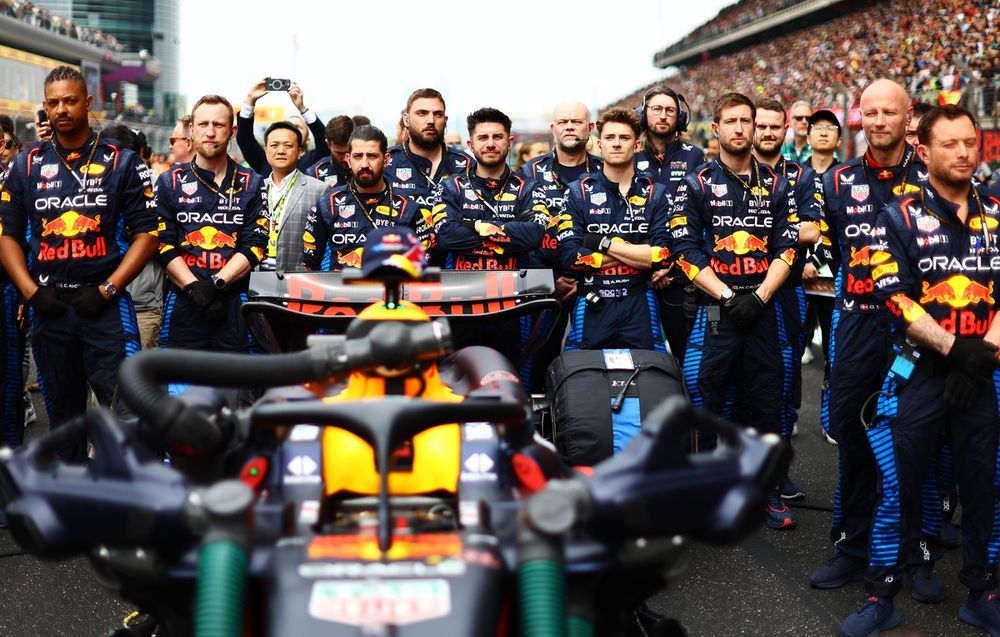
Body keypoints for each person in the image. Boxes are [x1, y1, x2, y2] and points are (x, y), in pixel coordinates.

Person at [839, 104, 1000, 637]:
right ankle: (881, 593)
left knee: (985, 484)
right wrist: (957, 351)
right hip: (918, 371)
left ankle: (983, 591)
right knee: (898, 484)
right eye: (950, 144)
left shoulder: (997, 212)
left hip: (983, 373)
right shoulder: (897, 217)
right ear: (924, 152)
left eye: (970, 143)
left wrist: (980, 358)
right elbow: (895, 298)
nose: (963, 153)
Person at [0, 65, 158, 462]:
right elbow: (7, 237)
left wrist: (110, 288)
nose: (61, 110)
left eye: (70, 101)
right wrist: (31, 292)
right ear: (45, 107)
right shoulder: (26, 164)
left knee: (125, 414)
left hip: (105, 305)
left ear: (88, 103)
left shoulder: (123, 162)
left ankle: (129, 508)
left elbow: (148, 234)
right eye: (53, 103)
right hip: (50, 308)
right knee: (63, 418)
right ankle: (72, 507)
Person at [810, 79, 930, 596]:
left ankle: (916, 553)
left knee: (918, 438)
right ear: (859, 118)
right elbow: (825, 252)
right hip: (857, 325)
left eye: (890, 113)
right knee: (855, 437)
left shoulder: (933, 178)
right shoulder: (836, 182)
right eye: (870, 112)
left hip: (917, 331)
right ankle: (855, 548)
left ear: (908, 120)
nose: (879, 121)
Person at [668, 92, 798, 529]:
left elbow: (788, 249)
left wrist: (758, 296)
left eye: (747, 120)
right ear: (717, 129)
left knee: (766, 399)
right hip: (715, 308)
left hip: (764, 306)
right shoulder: (696, 184)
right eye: (732, 121)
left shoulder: (778, 185)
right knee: (705, 394)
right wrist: (726, 296)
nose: (741, 128)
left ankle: (767, 490)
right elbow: (684, 252)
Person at [435, 108, 549, 371]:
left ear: (510, 142)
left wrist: (475, 227)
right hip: (462, 302)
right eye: (483, 137)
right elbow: (446, 236)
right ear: (470, 144)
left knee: (512, 380)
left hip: (512, 303)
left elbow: (534, 235)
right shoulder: (451, 186)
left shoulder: (529, 187)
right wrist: (504, 230)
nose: (490, 143)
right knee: (458, 382)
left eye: (497, 137)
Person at [155, 95, 268, 353]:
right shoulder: (169, 182)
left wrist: (216, 284)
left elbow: (256, 244)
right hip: (184, 301)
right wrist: (195, 289)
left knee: (233, 390)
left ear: (232, 131)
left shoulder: (253, 183)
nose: (210, 132)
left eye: (218, 125)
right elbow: (163, 244)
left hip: (234, 302)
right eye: (203, 124)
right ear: (191, 130)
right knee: (179, 391)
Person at [752, 98, 823, 501]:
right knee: (731, 384)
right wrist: (781, 228)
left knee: (784, 383)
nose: (765, 132)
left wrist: (752, 229)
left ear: (786, 130)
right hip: (734, 290)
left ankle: (778, 474)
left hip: (787, 292)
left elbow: (812, 231)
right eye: (759, 125)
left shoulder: (801, 174)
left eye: (773, 127)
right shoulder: (726, 172)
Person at [557, 107, 672, 353]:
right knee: (586, 379)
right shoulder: (578, 192)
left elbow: (662, 256)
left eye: (624, 138)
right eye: (610, 138)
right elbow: (569, 257)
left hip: (640, 301)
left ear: (637, 145)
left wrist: (603, 243)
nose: (617, 144)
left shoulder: (656, 193)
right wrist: (639, 254)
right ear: (599, 144)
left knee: (649, 378)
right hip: (592, 301)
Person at [634, 87, 706, 361]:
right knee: (643, 360)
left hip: (679, 275)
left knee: (687, 357)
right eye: (656, 109)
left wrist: (672, 263)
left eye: (670, 110)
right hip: (638, 273)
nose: (663, 116)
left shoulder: (694, 156)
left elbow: (701, 217)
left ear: (680, 117)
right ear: (644, 114)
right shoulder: (631, 154)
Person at [303, 125, 425, 271]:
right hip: (341, 291)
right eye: (358, 156)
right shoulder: (328, 204)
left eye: (372, 156)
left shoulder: (408, 207)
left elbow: (424, 264)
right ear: (348, 159)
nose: (364, 164)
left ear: (386, 159)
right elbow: (309, 263)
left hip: (390, 290)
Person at [386, 88, 471, 258]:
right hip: (400, 268)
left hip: (456, 272)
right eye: (422, 113)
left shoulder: (466, 164)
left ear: (445, 120)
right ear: (406, 119)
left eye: (438, 114)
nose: (431, 120)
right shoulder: (386, 162)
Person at [260, 121, 326, 272]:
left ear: (300, 151)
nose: (281, 151)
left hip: (298, 280)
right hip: (256, 278)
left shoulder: (319, 190)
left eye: (288, 145)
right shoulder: (255, 188)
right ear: (266, 150)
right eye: (274, 145)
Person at [237, 78, 327, 177]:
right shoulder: (265, 161)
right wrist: (250, 100)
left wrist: (302, 108)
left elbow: (324, 139)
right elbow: (245, 140)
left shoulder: (315, 161)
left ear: (307, 140)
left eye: (298, 127)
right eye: (288, 126)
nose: (292, 130)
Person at [305, 115, 353, 188]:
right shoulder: (314, 174)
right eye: (340, 153)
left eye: (349, 152)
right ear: (328, 144)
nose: (345, 158)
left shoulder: (368, 169)